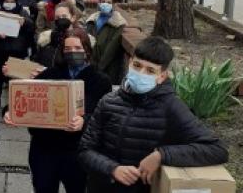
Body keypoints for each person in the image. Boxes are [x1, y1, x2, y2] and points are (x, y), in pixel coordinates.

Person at [78, 37, 229, 193]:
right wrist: (112, 169)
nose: (141, 73)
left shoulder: (171, 107)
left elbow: (216, 149)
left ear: (162, 76)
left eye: (150, 70)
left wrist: (161, 155)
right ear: (129, 63)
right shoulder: (108, 101)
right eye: (137, 65)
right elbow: (85, 151)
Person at [4, 28, 112, 193]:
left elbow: (104, 116)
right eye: (67, 49)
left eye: (77, 48)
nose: (72, 52)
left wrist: (84, 121)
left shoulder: (100, 80)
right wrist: (10, 112)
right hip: (44, 148)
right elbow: (26, 97)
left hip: (77, 152)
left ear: (87, 50)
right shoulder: (50, 74)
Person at [0, 0, 34, 106]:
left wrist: (25, 22)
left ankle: (15, 104)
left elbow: (31, 27)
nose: (9, 4)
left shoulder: (22, 12)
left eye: (12, 1)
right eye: (7, 1)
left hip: (16, 51)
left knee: (15, 78)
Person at [33, 2, 91, 69]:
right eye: (57, 17)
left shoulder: (81, 39)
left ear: (73, 18)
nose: (60, 19)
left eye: (64, 16)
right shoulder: (47, 39)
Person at [86, 0, 127, 85]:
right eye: (103, 1)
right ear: (99, 3)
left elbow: (112, 47)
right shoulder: (92, 19)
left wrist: (101, 66)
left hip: (108, 66)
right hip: (92, 62)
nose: (105, 4)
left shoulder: (118, 22)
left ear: (113, 5)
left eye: (109, 2)